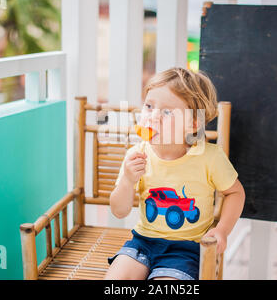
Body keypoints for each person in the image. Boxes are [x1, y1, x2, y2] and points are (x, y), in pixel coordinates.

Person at [104, 67, 245, 280]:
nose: (153, 117)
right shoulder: (137, 154)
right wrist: (127, 180)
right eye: (149, 106)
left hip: (186, 249)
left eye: (167, 112)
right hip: (142, 241)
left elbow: (236, 193)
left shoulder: (209, 157)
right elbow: (119, 211)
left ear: (193, 124)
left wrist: (223, 230)